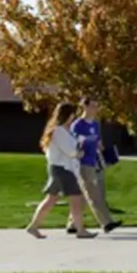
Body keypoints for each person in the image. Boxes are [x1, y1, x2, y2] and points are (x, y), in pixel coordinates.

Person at [26, 102, 96, 239]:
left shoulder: (61, 130)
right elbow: (71, 151)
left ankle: (33, 226)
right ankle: (80, 229)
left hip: (59, 168)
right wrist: (79, 152)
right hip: (64, 169)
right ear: (68, 115)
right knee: (76, 198)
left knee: (51, 199)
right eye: (73, 115)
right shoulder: (59, 131)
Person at [66, 97, 120, 235]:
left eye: (97, 106)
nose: (96, 109)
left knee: (85, 194)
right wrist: (85, 140)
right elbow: (73, 141)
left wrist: (104, 152)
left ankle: (72, 224)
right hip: (82, 162)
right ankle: (106, 222)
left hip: (94, 161)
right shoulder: (77, 124)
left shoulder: (95, 125)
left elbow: (98, 143)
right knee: (93, 193)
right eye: (93, 106)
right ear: (85, 107)